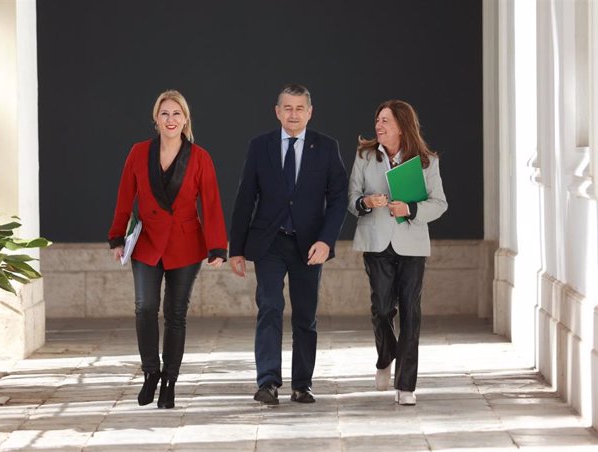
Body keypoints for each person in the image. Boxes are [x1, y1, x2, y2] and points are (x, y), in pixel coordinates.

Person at [108, 90, 228, 409]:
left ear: (185, 119)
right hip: (146, 242)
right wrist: (117, 237)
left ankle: (170, 381)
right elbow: (124, 196)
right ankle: (151, 373)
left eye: (177, 114)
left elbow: (212, 203)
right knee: (145, 307)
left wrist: (217, 246)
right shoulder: (138, 153)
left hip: (186, 245)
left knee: (175, 313)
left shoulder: (200, 157)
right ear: (155, 119)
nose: (171, 119)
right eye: (165, 114)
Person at [229, 84, 348, 405]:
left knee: (305, 316)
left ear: (310, 112)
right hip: (268, 243)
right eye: (287, 108)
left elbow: (338, 199)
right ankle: (267, 382)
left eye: (300, 108)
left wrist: (326, 240)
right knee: (270, 307)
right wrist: (236, 249)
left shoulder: (326, 147)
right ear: (277, 111)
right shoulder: (260, 146)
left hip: (309, 246)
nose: (293, 114)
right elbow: (244, 199)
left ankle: (302, 384)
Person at [347, 99, 447, 405]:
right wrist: (366, 203)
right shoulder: (365, 156)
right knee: (381, 308)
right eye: (377, 120)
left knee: (410, 313)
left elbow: (439, 203)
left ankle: (406, 385)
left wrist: (411, 208)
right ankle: (385, 356)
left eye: (385, 121)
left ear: (402, 127)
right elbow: (351, 198)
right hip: (376, 242)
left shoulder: (426, 161)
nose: (378, 125)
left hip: (412, 245)